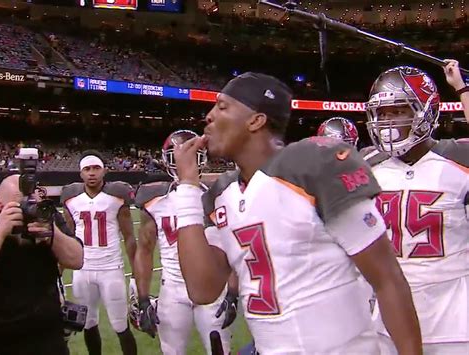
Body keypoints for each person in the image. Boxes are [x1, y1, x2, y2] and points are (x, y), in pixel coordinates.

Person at [172, 72, 422, 354]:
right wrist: (188, 188)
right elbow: (202, 289)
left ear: (256, 120)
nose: (209, 116)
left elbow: (387, 279)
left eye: (222, 106)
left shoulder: (313, 165)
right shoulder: (222, 194)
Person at [363, 65, 469, 354]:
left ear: (427, 111)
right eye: (381, 113)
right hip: (388, 321)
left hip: (453, 321)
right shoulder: (369, 164)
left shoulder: (458, 159)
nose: (385, 122)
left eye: (397, 111)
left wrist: (461, 89)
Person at [133, 130, 237, 355]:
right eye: (174, 155)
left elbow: (232, 249)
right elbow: (144, 250)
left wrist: (232, 293)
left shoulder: (218, 198)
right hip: (172, 288)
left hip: (214, 286)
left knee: (221, 350)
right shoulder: (155, 201)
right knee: (171, 351)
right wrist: (142, 300)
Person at [0, 175, 83, 355]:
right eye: (20, 206)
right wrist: (1, 231)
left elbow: (76, 260)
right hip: (2, 336)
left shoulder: (45, 216)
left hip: (48, 334)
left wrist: (53, 234)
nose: (28, 210)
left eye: (32, 202)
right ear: (0, 206)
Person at [61, 150, 137, 355]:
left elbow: (129, 236)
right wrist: (58, 272)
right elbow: (66, 238)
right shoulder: (71, 198)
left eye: (96, 168)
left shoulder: (116, 196)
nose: (92, 173)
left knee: (120, 325)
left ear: (104, 171)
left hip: (110, 268)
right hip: (82, 269)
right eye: (87, 169)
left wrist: (137, 272)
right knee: (88, 322)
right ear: (81, 174)